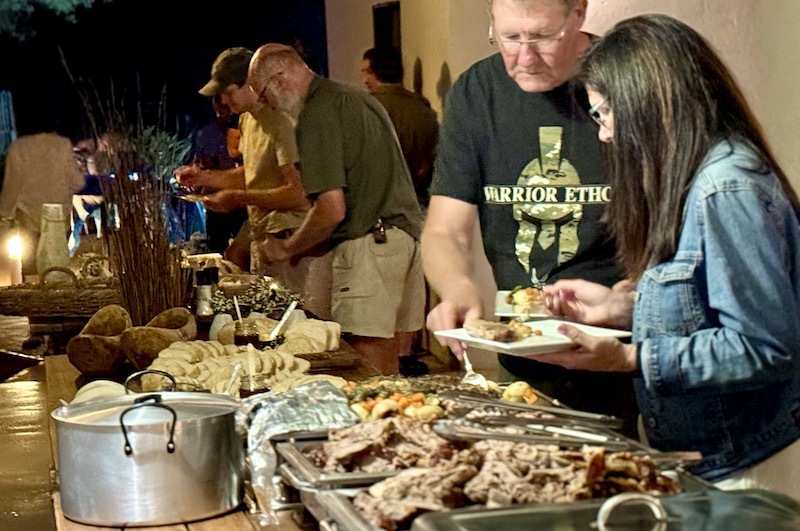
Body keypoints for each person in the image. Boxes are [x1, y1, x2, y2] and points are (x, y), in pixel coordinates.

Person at [538, 14, 800, 497]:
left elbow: (764, 347)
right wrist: (620, 309)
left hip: (744, 461)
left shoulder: (727, 188)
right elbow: (705, 308)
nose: (604, 133)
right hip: (706, 455)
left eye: (605, 113)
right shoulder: (694, 176)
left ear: (651, 102)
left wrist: (629, 357)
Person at [421, 0, 638, 437]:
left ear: (579, 13)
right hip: (522, 346)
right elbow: (445, 229)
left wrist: (629, 304)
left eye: (541, 37)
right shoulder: (477, 91)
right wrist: (457, 288)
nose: (524, 57)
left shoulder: (624, 82)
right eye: (508, 38)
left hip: (617, 346)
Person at [248, 43, 425, 376]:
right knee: (387, 366)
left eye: (263, 95)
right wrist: (310, 246)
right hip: (402, 239)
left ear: (279, 79)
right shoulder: (354, 97)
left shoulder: (316, 114)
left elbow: (331, 210)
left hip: (372, 246)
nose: (267, 104)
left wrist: (287, 248)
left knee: (364, 369)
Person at [174, 47, 311, 293]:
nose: (224, 101)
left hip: (291, 240)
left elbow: (299, 194)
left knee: (293, 312)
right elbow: (254, 173)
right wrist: (205, 177)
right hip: (264, 237)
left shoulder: (282, 118)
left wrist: (238, 199)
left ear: (250, 82)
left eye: (228, 92)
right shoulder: (247, 119)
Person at [361, 47, 439, 207]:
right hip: (418, 200)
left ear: (372, 72)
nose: (364, 80)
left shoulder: (365, 109)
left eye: (365, 72)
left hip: (379, 203)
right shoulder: (423, 108)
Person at [187, 95, 247, 255]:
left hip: (241, 200)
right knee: (217, 250)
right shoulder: (207, 135)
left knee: (243, 250)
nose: (227, 113)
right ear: (216, 109)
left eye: (229, 108)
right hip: (215, 202)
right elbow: (200, 163)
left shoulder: (243, 130)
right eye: (223, 109)